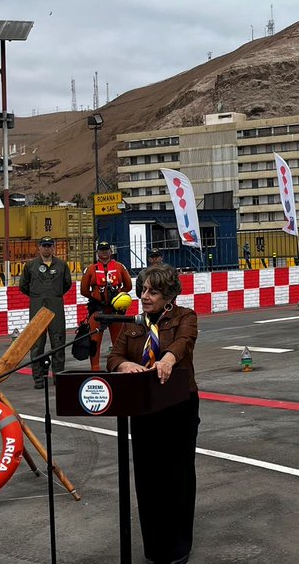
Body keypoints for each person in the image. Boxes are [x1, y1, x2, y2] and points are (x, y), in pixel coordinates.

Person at [107, 264, 198, 564]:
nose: (144, 297)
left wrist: (167, 359)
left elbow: (183, 343)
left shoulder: (185, 316)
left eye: (153, 292)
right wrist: (124, 366)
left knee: (177, 476)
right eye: (143, 290)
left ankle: (178, 547)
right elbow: (114, 357)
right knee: (147, 478)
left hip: (178, 405)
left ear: (168, 296)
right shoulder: (134, 324)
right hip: (143, 407)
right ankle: (155, 548)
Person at [18, 237, 72, 389]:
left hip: (56, 308)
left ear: (53, 248)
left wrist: (54, 294)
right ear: (39, 247)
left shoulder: (61, 265)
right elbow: (23, 285)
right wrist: (37, 296)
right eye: (44, 246)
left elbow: (67, 284)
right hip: (37, 308)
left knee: (58, 342)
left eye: (49, 246)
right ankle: (39, 378)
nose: (47, 248)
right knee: (37, 345)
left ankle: (58, 376)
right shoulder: (30, 266)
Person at [79, 241, 132, 371]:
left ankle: (118, 366)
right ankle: (95, 368)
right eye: (101, 250)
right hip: (97, 310)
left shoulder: (119, 267)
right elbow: (84, 290)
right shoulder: (91, 269)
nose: (104, 253)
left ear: (110, 251)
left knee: (118, 341)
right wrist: (95, 297)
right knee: (94, 341)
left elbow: (128, 286)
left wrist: (118, 295)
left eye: (106, 250)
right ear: (97, 252)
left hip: (115, 311)